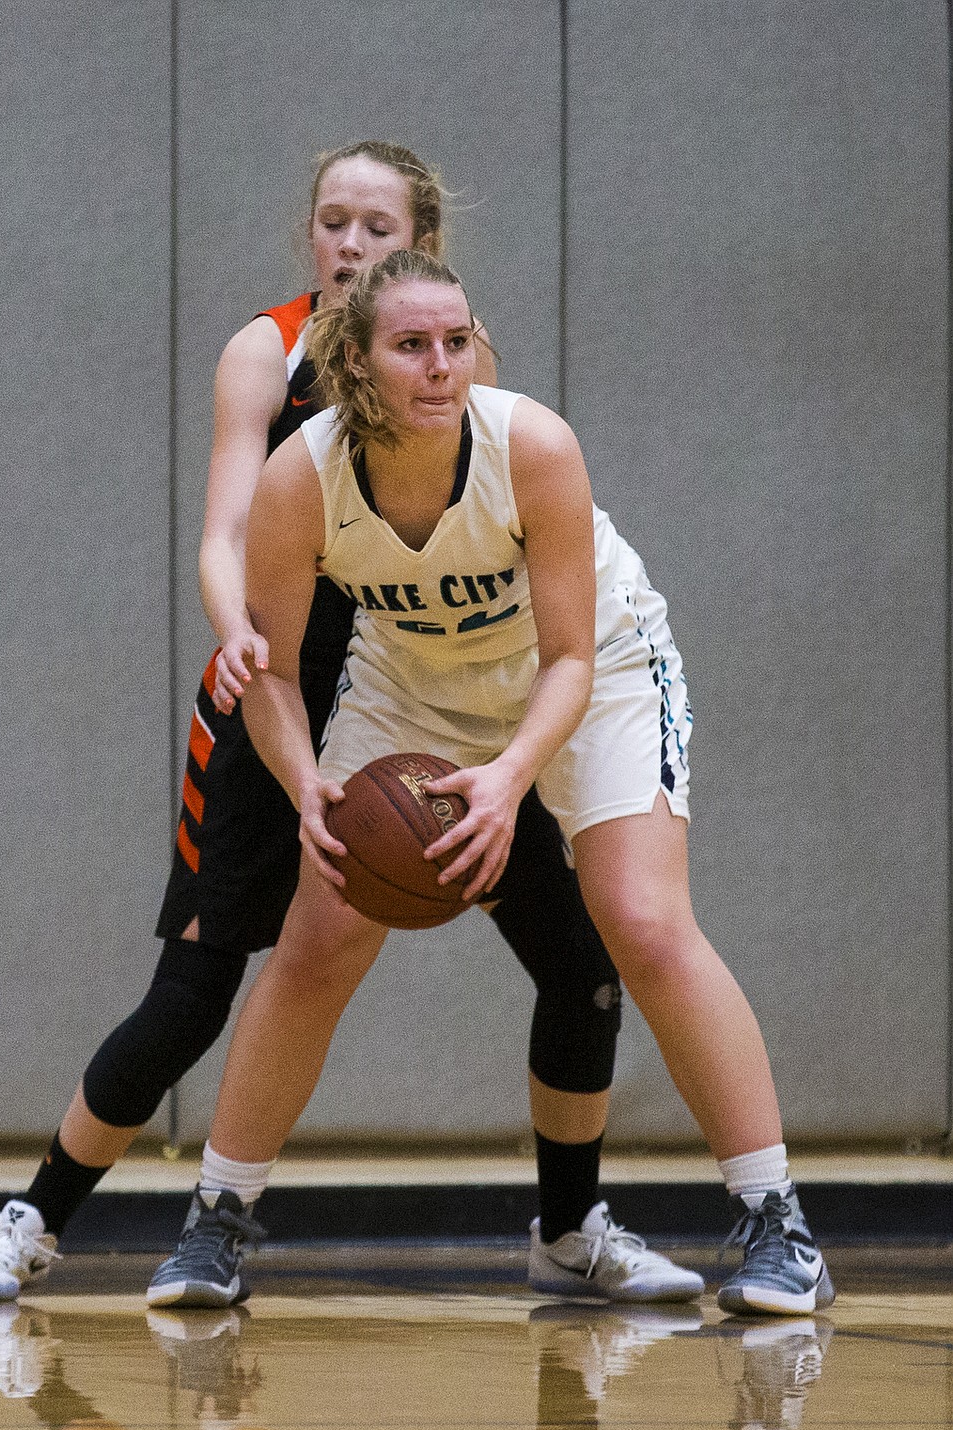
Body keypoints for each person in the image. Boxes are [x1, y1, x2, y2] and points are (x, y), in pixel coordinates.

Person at [0, 142, 701, 1309]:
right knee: (195, 992)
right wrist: (236, 627)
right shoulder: (266, 349)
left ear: (423, 248)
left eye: (376, 225)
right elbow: (222, 531)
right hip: (282, 695)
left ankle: (569, 1228)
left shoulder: (450, 362)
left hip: (436, 704)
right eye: (332, 221)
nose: (350, 243)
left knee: (583, 965)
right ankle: (35, 1220)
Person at [150, 249, 833, 1320]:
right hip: (413, 677)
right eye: (411, 345)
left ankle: (776, 1221)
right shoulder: (303, 474)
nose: (439, 365)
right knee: (319, 935)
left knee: (642, 920)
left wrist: (512, 779)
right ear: (356, 362)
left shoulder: (533, 445)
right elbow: (274, 674)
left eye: (456, 341)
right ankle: (215, 1226)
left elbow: (566, 657)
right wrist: (305, 789)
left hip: (593, 670)